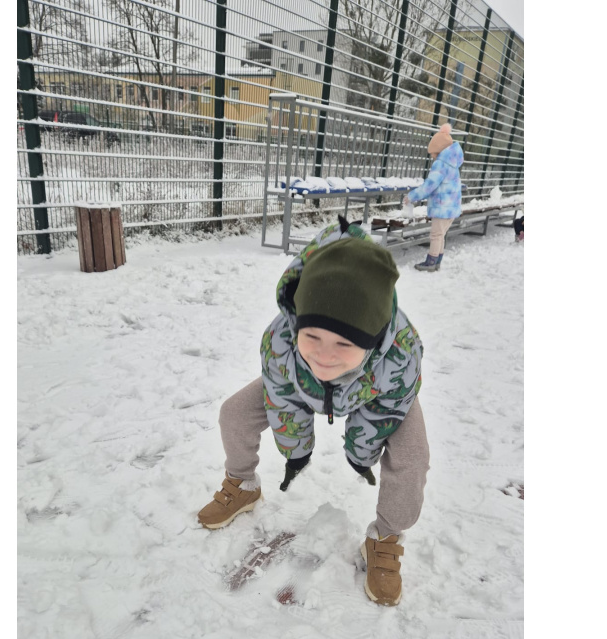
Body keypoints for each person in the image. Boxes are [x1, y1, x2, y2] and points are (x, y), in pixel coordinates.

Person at [196, 216, 429, 607]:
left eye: (343, 343)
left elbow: (389, 408)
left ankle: (385, 538)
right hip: (301, 386)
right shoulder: (280, 340)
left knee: (412, 457)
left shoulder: (401, 353)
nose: (324, 355)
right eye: (313, 336)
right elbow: (280, 394)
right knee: (234, 413)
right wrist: (295, 448)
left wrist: (362, 453)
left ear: (372, 341)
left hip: (375, 392)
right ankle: (243, 486)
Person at [402, 122, 464, 272]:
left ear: (439, 149)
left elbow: (429, 186)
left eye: (433, 153)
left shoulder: (441, 164)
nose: (432, 157)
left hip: (442, 207)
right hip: (451, 207)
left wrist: (411, 196)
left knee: (436, 235)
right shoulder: (452, 163)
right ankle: (437, 261)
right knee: (440, 235)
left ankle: (431, 262)